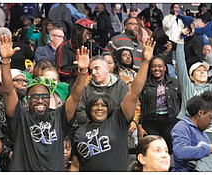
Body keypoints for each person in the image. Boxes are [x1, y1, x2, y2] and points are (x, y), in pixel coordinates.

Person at [0, 33, 90, 171]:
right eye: (35, 97)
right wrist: (5, 60)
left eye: (44, 96)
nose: (40, 100)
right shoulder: (20, 117)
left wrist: (83, 72)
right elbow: (8, 91)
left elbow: (75, 97)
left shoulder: (59, 116)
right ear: (27, 99)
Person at [70, 37, 154, 172]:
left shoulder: (117, 122)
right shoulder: (80, 132)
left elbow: (134, 93)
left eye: (103, 106)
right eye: (95, 105)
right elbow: (75, 166)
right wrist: (82, 72)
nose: (99, 108)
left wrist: (144, 62)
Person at [171, 91, 212, 172]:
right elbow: (180, 151)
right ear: (200, 113)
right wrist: (210, 148)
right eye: (210, 117)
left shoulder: (203, 133)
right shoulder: (181, 127)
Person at [137, 54, 180, 154]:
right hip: (150, 123)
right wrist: (139, 126)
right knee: (152, 151)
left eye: (160, 66)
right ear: (150, 68)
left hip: (171, 122)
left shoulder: (175, 83)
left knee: (170, 151)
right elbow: (140, 106)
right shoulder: (144, 84)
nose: (157, 68)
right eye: (154, 66)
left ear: (165, 67)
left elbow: (182, 102)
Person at [74, 53, 130, 126]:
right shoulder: (87, 88)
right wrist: (97, 121)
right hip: (92, 130)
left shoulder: (121, 86)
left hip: (116, 129)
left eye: (97, 68)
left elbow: (126, 112)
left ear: (107, 69)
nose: (93, 73)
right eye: (91, 70)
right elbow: (80, 114)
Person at [0, 69, 27, 171]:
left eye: (25, 81)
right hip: (5, 161)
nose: (24, 84)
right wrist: (8, 152)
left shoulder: (27, 106)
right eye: (19, 81)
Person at [55, 18, 95, 92]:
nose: (88, 37)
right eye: (86, 34)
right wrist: (80, 69)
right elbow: (61, 71)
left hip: (86, 88)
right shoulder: (64, 47)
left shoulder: (86, 47)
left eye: (90, 35)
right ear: (78, 31)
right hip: (71, 89)